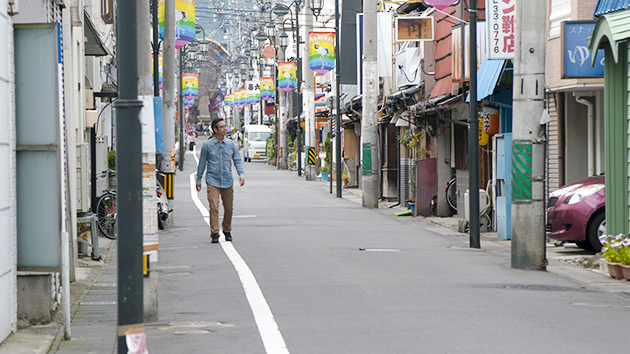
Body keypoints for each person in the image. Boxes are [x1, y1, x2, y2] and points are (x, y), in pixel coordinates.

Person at [196, 118, 245, 243]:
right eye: (222, 127)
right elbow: (202, 163)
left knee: (229, 208)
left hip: (227, 180)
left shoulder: (231, 144)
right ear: (215, 129)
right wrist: (198, 179)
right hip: (212, 180)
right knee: (214, 207)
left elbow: (237, 160)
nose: (225, 129)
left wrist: (241, 174)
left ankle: (227, 229)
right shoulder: (207, 145)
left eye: (225, 126)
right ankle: (215, 232)